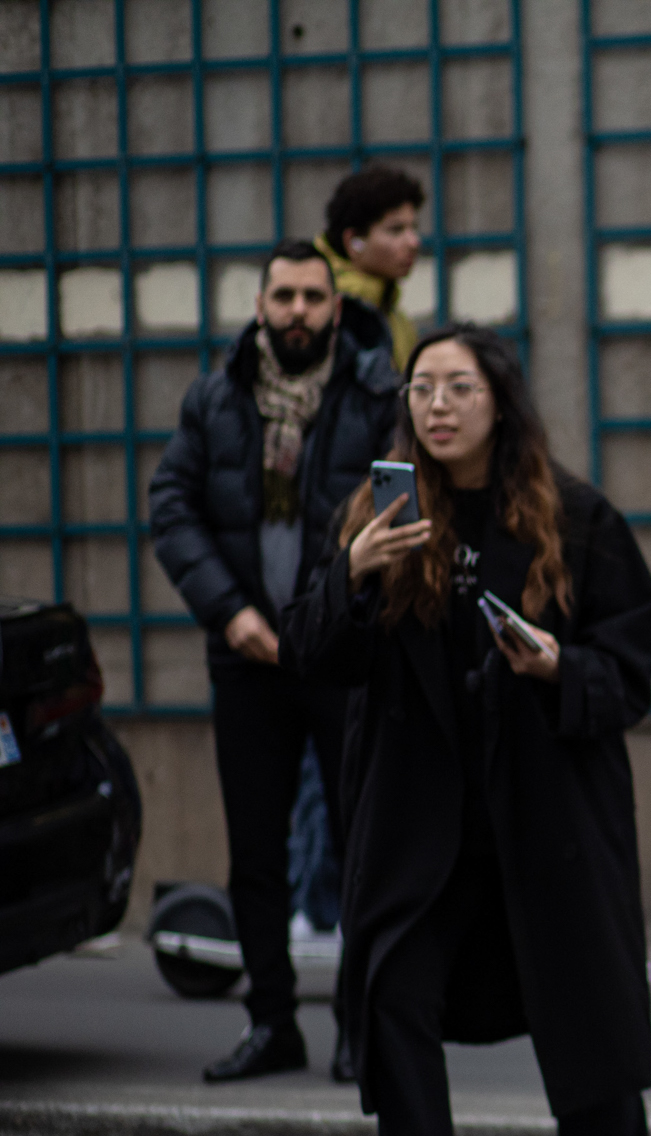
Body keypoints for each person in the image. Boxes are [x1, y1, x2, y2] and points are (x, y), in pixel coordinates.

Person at [291, 325, 651, 1136]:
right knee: (395, 994)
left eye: (459, 387)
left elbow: (628, 676)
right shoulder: (376, 516)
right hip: (420, 813)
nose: (437, 405)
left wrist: (556, 666)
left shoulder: (574, 519)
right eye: (422, 388)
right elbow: (313, 657)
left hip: (545, 811)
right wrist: (354, 577)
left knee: (584, 1002)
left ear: (500, 401)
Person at [149, 241, 399, 1083]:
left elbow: (399, 513)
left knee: (362, 843)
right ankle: (271, 1023)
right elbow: (172, 506)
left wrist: (340, 609)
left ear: (336, 307)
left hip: (344, 655)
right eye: (283, 296)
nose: (297, 311)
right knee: (255, 851)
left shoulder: (376, 394)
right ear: (261, 306)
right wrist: (231, 613)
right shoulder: (216, 398)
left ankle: (359, 1029)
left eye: (312, 298)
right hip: (248, 654)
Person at [317, 165, 427, 371]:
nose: (414, 242)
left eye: (414, 228)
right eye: (396, 230)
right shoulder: (331, 312)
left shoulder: (390, 310)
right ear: (353, 242)